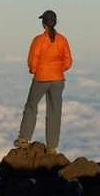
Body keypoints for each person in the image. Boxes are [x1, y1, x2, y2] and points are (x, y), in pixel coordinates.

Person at [14, 10, 72, 155]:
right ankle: (51, 147)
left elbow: (32, 61)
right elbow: (68, 61)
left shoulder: (38, 40)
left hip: (41, 78)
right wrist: (58, 70)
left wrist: (35, 71)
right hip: (58, 79)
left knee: (31, 106)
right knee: (54, 112)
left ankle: (23, 139)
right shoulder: (63, 39)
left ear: (43, 24)